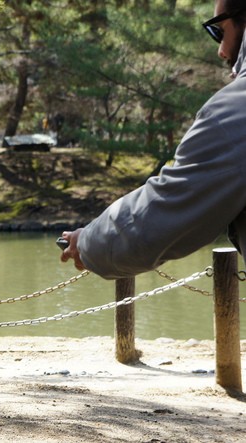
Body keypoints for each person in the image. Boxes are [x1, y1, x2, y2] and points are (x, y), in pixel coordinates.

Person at [60, 0, 246, 279]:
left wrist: (87, 242)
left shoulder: (237, 109)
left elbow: (164, 211)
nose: (221, 51)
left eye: (219, 31)